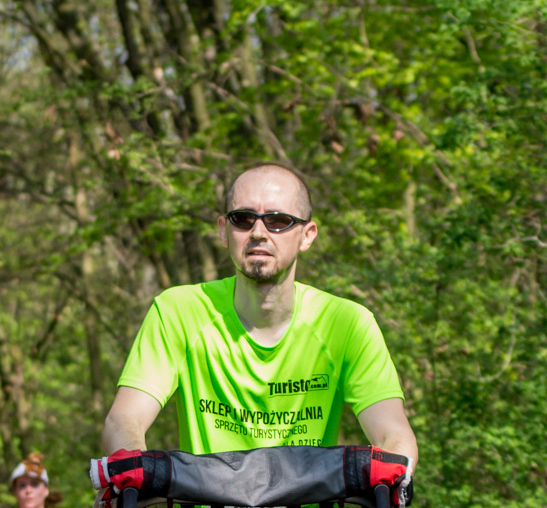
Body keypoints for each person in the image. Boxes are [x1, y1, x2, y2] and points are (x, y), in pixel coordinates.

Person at [99, 162, 417, 464]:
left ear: (308, 235)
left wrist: (395, 469)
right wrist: (133, 470)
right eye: (243, 219)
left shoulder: (347, 323)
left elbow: (393, 432)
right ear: (224, 231)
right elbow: (124, 419)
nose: (258, 233)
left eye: (278, 221)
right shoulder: (178, 312)